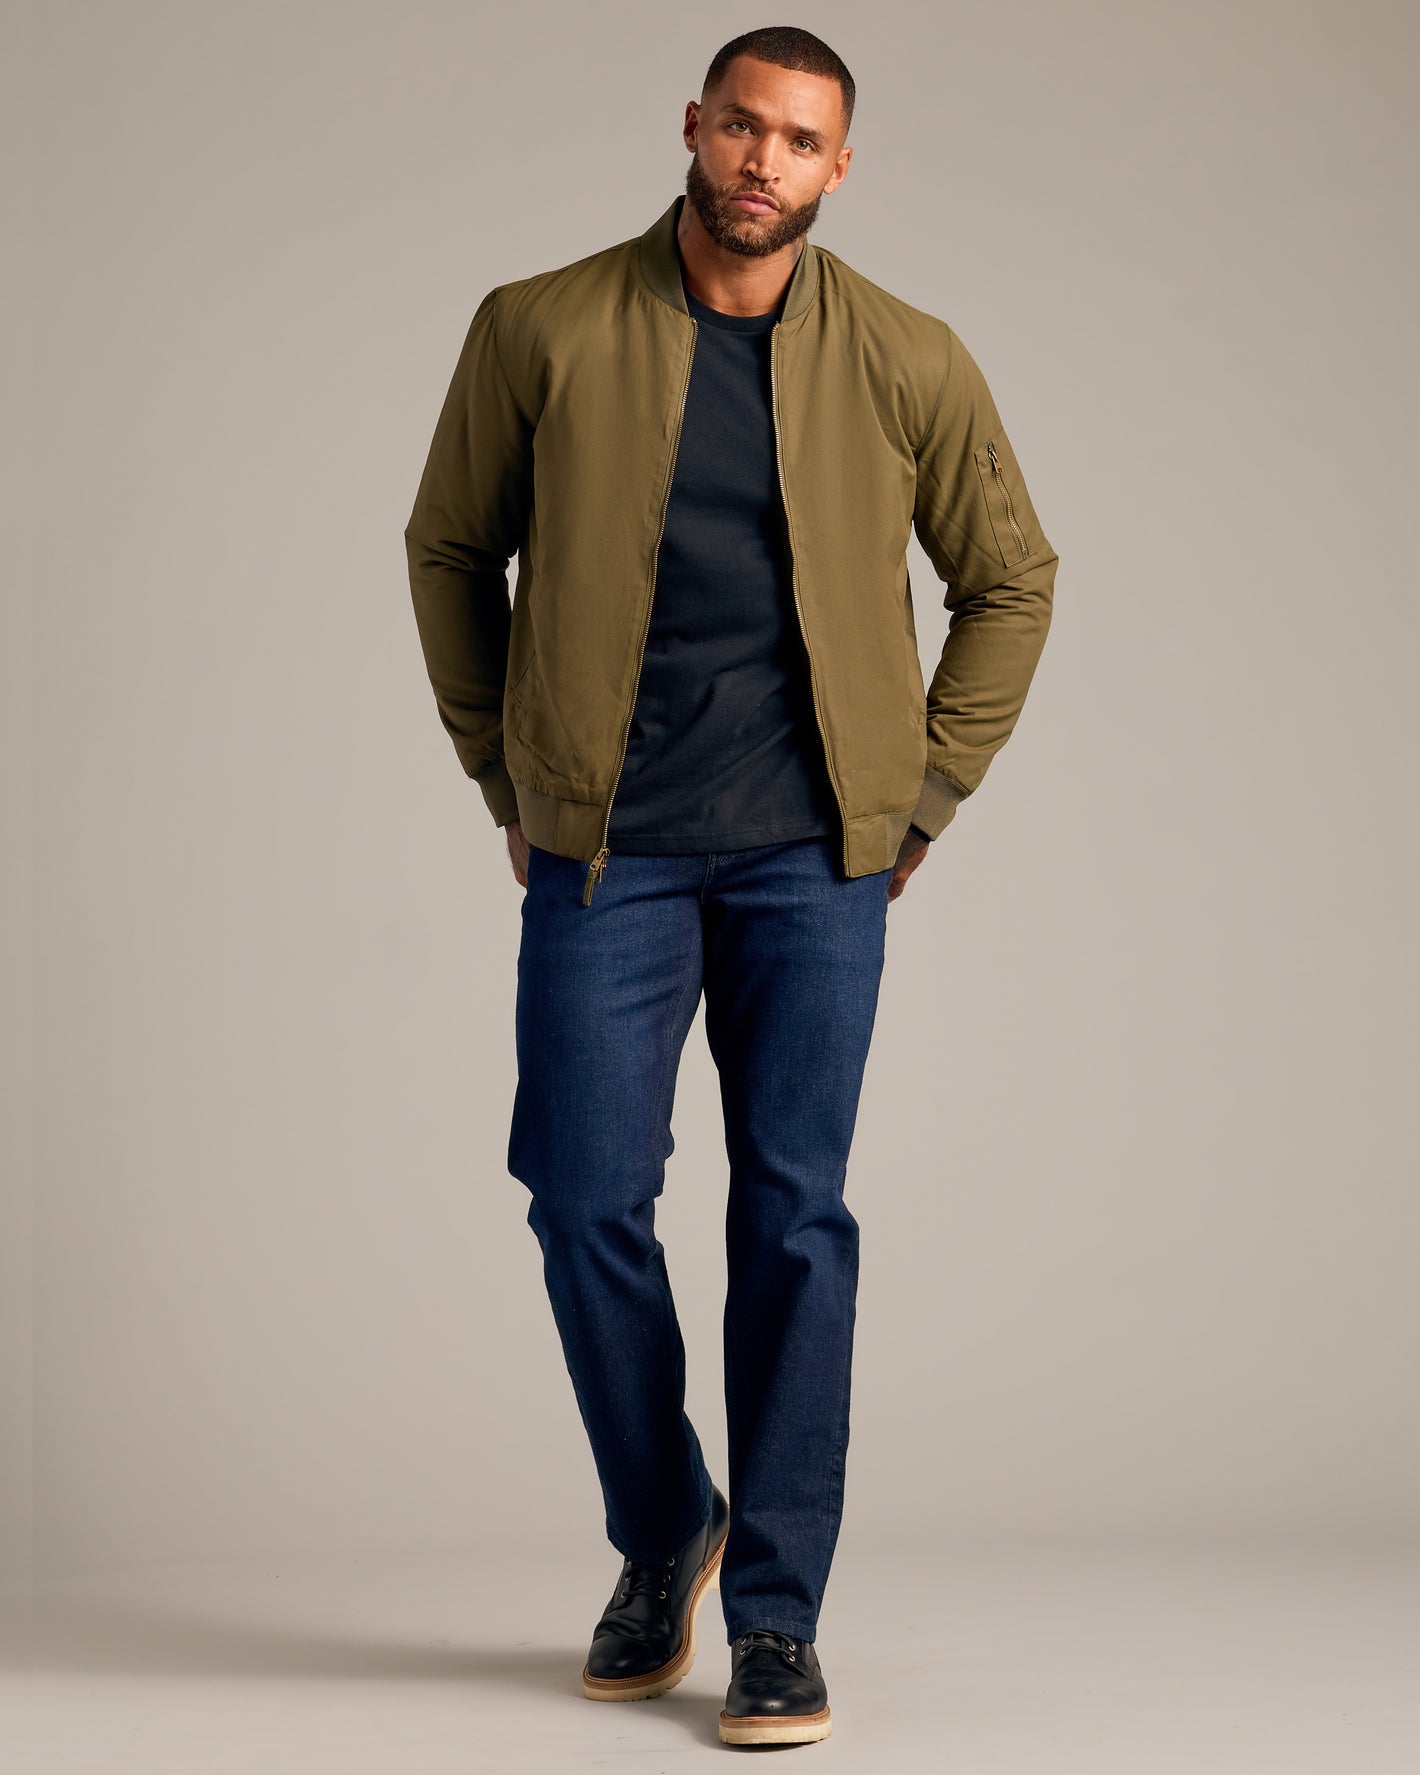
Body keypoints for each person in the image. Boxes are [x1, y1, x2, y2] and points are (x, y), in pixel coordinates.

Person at [403, 23, 1057, 1749]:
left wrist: (922, 795)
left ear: (842, 167)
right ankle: (663, 1522)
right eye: (745, 126)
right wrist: (504, 773)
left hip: (811, 860)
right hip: (606, 852)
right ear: (694, 127)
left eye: (802, 140)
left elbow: (1012, 577)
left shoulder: (907, 356)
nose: (766, 162)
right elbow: (450, 545)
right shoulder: (540, 326)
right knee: (581, 1197)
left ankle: (775, 1615)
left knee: (793, 1217)